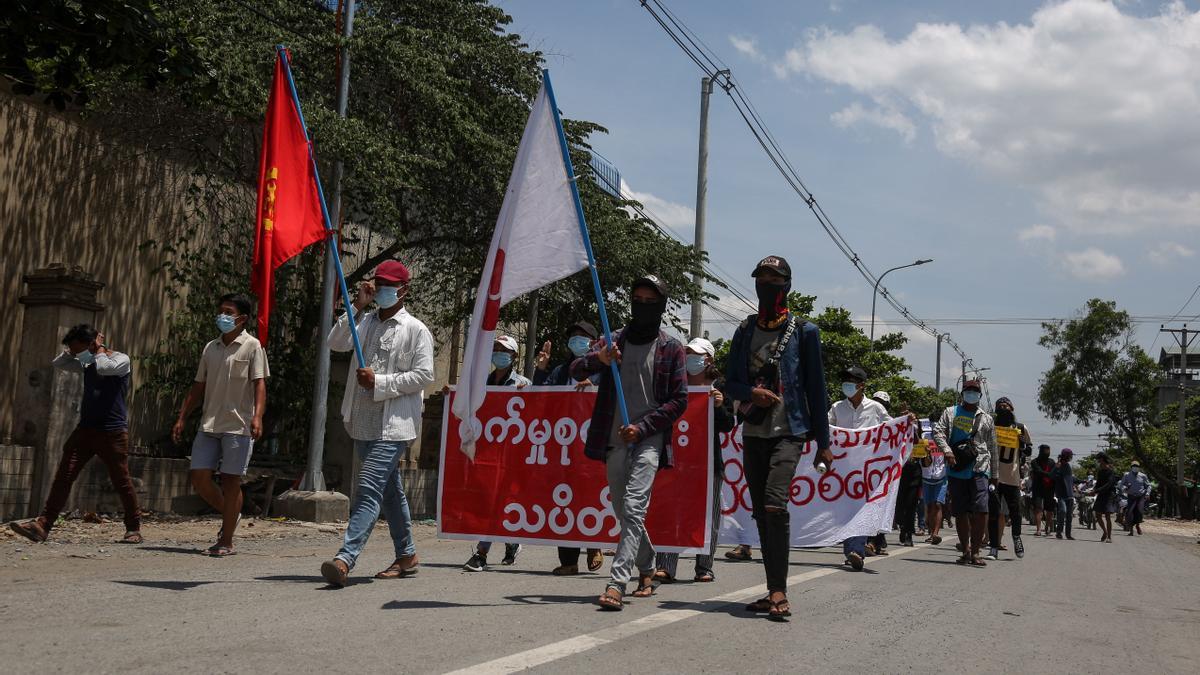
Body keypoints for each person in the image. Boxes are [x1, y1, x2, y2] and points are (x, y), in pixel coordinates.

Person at [726, 255, 831, 620]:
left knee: (774, 503)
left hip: (791, 431)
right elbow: (729, 381)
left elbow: (816, 388)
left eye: (774, 279)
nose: (767, 284)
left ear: (786, 285)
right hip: (754, 431)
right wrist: (749, 393)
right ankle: (772, 588)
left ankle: (779, 590)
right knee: (760, 512)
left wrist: (824, 442)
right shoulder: (744, 330)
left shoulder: (805, 332)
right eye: (762, 278)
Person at [575, 275, 688, 612]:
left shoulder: (671, 348)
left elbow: (678, 400)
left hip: (649, 438)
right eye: (637, 298)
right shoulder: (612, 342)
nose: (642, 305)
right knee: (622, 508)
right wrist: (600, 360)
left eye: (650, 300)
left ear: (661, 306)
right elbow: (575, 367)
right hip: (614, 439)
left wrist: (643, 427)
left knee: (635, 506)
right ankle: (648, 565)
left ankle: (616, 583)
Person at [319, 260, 434, 586]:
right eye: (378, 284)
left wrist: (380, 382)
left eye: (389, 286)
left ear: (404, 290)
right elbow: (335, 342)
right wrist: (358, 304)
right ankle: (407, 554)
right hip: (363, 421)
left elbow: (425, 375)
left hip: (394, 425)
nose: (382, 290)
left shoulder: (415, 330)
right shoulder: (365, 321)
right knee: (389, 492)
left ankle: (345, 558)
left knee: (368, 486)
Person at [10, 325, 143, 545]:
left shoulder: (121, 360)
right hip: (85, 430)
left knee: (121, 480)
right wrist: (73, 353)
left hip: (112, 433)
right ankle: (43, 525)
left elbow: (104, 368)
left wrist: (97, 351)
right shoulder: (87, 360)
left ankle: (133, 528)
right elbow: (58, 363)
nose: (77, 354)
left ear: (93, 344)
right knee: (64, 476)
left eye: (79, 348)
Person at [171, 294, 268, 557]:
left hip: (238, 425)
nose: (222, 317)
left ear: (242, 318)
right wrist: (182, 416)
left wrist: (257, 416)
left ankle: (226, 540)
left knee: (230, 480)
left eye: (228, 312)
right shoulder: (210, 348)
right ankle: (230, 513)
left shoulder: (252, 346)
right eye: (221, 311)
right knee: (199, 476)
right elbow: (198, 386)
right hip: (209, 423)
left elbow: (259, 384)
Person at [653, 338, 735, 583]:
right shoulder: (675, 385)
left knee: (709, 515)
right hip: (676, 460)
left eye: (696, 354)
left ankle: (704, 567)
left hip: (708, 462)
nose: (690, 358)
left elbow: (728, 424)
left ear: (709, 359)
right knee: (671, 512)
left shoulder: (719, 388)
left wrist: (719, 406)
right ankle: (666, 566)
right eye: (687, 353)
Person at [532, 321, 605, 576]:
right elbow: (539, 400)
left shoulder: (604, 370)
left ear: (595, 341)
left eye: (583, 336)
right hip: (562, 446)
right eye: (573, 336)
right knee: (563, 498)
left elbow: (614, 396)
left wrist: (593, 389)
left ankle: (594, 544)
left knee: (590, 495)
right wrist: (540, 371)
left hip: (592, 445)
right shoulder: (561, 371)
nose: (577, 340)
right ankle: (568, 560)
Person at [463, 335, 531, 572]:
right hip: (487, 451)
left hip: (511, 454)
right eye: (496, 349)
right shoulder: (482, 382)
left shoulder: (522, 383)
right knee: (490, 499)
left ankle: (481, 553)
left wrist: (527, 397)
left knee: (496, 499)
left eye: (504, 350)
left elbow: (535, 416)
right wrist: (452, 395)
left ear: (514, 356)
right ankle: (512, 542)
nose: (499, 353)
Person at [829, 367, 890, 569]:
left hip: (867, 469)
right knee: (846, 510)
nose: (846, 384)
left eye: (851, 381)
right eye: (845, 380)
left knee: (862, 508)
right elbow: (826, 430)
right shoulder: (837, 408)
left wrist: (907, 422)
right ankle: (853, 549)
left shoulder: (876, 408)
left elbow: (891, 429)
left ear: (861, 385)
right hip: (842, 468)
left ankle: (855, 549)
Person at [933, 379, 997, 567]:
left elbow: (993, 447)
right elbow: (938, 432)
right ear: (962, 393)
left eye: (975, 391)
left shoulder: (986, 418)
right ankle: (966, 550)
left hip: (980, 468)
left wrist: (995, 474)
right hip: (957, 469)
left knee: (981, 509)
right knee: (960, 511)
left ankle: (977, 551)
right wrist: (947, 451)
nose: (971, 393)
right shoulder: (950, 412)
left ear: (980, 395)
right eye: (968, 390)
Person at [985, 397, 1028, 560]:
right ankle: (993, 547)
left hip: (1012, 477)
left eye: (1006, 406)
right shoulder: (991, 426)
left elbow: (1029, 450)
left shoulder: (1020, 428)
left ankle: (1016, 538)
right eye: (1000, 406)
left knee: (1016, 513)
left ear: (1012, 408)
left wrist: (1021, 443)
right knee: (994, 513)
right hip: (994, 477)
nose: (1003, 408)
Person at [920, 414, 948, 546]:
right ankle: (931, 533)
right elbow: (918, 454)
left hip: (941, 475)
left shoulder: (946, 438)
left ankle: (936, 533)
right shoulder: (924, 437)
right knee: (930, 505)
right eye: (933, 422)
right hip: (927, 475)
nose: (935, 425)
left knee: (937, 504)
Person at [1090, 452, 1118, 542]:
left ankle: (1109, 537)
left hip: (1109, 495)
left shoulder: (1111, 471)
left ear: (1103, 459)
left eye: (1099, 459)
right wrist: (1094, 490)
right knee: (1097, 515)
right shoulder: (1100, 471)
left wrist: (1096, 491)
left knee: (1107, 516)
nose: (1098, 461)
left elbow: (1108, 485)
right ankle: (1105, 532)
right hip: (1101, 494)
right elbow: (1098, 483)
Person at [1029, 444, 1056, 536]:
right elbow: (1038, 471)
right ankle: (1038, 529)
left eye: (1048, 451)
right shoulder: (1034, 462)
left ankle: (1047, 527)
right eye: (1045, 451)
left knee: (1049, 509)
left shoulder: (1052, 462)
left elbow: (1055, 474)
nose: (1047, 453)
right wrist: (1049, 474)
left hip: (1049, 488)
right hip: (1038, 488)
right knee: (1038, 508)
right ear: (1040, 452)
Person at [1051, 448, 1076, 540]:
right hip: (1061, 495)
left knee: (1069, 516)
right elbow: (1051, 476)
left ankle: (1068, 534)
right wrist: (1056, 468)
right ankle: (1059, 532)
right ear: (1066, 456)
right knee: (1062, 512)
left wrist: (1083, 481)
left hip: (1070, 495)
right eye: (1070, 456)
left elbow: (1071, 479)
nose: (1071, 457)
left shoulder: (1068, 466)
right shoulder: (1058, 465)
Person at [1120, 460, 1150, 536]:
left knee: (1139, 511)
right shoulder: (1126, 475)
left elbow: (1148, 485)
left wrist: (1147, 493)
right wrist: (1124, 488)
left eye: (1137, 466)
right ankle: (1131, 530)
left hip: (1140, 496)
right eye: (1134, 466)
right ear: (1131, 467)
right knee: (1130, 512)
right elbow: (1121, 484)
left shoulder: (1143, 476)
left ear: (1139, 468)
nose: (1135, 468)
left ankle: (1137, 525)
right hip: (1131, 496)